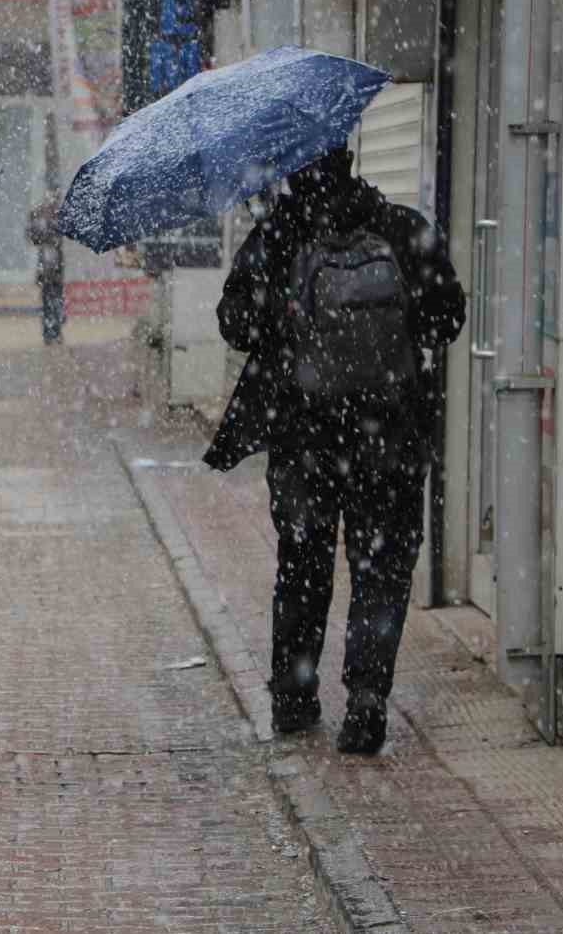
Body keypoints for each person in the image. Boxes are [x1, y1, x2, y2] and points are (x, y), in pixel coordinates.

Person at [205, 145, 465, 754]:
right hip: (390, 437)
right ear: (350, 160)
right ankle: (368, 701)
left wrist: (284, 316)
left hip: (304, 438)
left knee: (302, 568)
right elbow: (446, 318)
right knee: (380, 572)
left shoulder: (279, 237)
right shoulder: (402, 228)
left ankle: (296, 700)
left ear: (292, 171)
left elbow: (234, 324)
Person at [25, 197, 65, 344]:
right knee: (49, 299)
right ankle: (50, 331)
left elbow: (56, 237)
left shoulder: (57, 219)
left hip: (54, 268)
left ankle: (54, 330)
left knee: (55, 299)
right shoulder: (42, 220)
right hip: (47, 269)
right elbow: (33, 238)